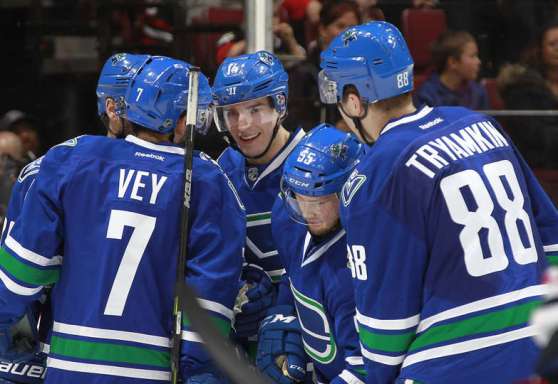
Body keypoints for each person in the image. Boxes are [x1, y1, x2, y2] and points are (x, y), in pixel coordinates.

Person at [319, 21, 558, 383]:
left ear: (354, 99)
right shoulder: (479, 123)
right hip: (540, 345)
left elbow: (386, 334)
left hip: (458, 359)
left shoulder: (377, 173)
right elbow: (550, 233)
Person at [0, 56, 245, 383]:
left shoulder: (71, 159)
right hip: (150, 369)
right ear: (182, 120)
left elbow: (21, 273)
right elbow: (208, 300)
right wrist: (196, 369)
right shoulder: (206, 181)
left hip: (69, 364)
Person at [0, 52, 153, 384]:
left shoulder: (177, 181)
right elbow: (15, 283)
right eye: (138, 104)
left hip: (143, 361)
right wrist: (17, 360)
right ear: (112, 109)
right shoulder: (50, 172)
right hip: (57, 358)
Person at [212, 51, 307, 376]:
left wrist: (286, 306)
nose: (243, 125)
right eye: (232, 113)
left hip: (306, 344)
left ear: (279, 105)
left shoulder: (314, 164)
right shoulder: (221, 170)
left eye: (255, 109)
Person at [261, 124, 366, 384]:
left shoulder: (360, 265)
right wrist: (283, 328)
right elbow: (294, 275)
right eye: (300, 197)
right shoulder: (286, 218)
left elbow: (365, 369)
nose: (308, 213)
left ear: (350, 191)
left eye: (320, 201)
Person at [287, 0, 361, 131]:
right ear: (322, 30)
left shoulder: (363, 73)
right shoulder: (301, 75)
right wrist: (334, 130)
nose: (347, 35)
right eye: (341, 26)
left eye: (352, 28)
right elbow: (292, 126)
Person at [414, 30, 490, 110]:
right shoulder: (426, 96)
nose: (478, 61)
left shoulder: (478, 92)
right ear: (453, 62)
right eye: (472, 56)